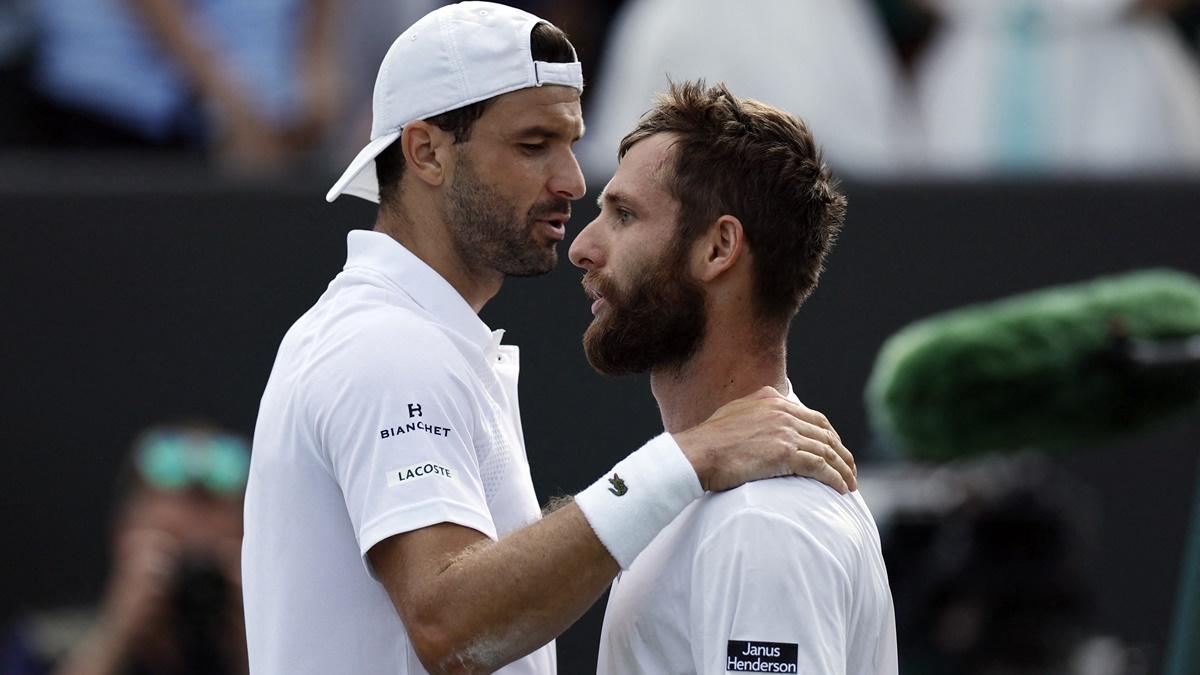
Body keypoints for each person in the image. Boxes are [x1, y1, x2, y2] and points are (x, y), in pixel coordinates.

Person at [241, 3, 858, 674]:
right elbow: (450, 622)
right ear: (426, 152)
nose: (571, 179)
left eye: (570, 142)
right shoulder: (389, 345)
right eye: (534, 145)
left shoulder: (407, 336)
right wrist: (688, 457)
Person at [568, 80, 898, 674]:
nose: (583, 248)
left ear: (718, 247)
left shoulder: (762, 523)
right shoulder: (721, 504)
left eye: (623, 215)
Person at [1, 424, 251, 675]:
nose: (194, 575)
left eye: (210, 558)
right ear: (122, 535)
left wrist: (257, 641)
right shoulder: (43, 647)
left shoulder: (270, 652)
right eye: (170, 548)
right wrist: (113, 639)